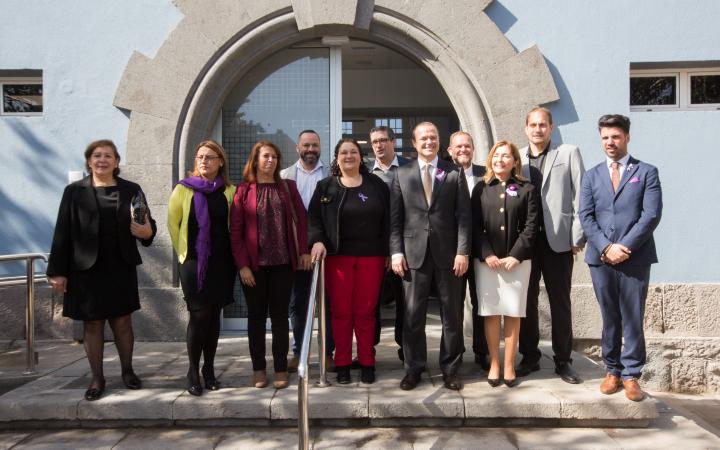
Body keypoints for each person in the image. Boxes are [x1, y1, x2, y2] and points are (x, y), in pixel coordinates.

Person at [47, 139, 156, 401]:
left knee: (122, 321)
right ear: (88, 161)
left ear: (117, 162)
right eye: (97, 155)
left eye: (108, 156)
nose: (102, 160)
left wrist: (147, 231)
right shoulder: (74, 192)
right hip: (85, 270)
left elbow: (147, 224)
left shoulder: (132, 189)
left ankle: (128, 371)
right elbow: (63, 232)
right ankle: (97, 377)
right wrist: (57, 271)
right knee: (92, 323)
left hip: (120, 266)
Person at [579, 114, 662, 402]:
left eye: (615, 137)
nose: (610, 142)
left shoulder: (647, 172)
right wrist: (605, 247)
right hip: (600, 259)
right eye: (605, 137)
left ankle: (631, 375)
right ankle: (612, 370)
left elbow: (650, 215)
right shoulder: (591, 175)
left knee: (633, 317)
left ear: (626, 137)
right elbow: (586, 216)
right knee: (610, 316)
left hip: (634, 257)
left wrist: (623, 246)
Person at [390, 122, 471, 391]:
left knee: (452, 315)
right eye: (423, 138)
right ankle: (414, 367)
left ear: (439, 141)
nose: (429, 142)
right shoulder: (401, 174)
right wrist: (396, 252)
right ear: (414, 143)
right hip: (413, 255)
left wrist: (462, 252)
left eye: (433, 137)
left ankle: (450, 369)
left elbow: (463, 217)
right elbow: (395, 220)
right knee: (413, 315)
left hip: (449, 256)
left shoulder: (453, 172)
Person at [309, 138, 390, 384]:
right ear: (337, 157)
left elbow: (389, 219)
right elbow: (313, 220)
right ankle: (342, 363)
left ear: (360, 156)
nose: (349, 156)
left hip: (372, 257)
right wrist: (318, 240)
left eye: (353, 152)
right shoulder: (325, 187)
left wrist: (388, 251)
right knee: (341, 312)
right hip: (337, 258)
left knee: (365, 312)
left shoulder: (376, 185)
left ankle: (367, 361)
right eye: (343, 152)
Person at [230, 141, 310, 389]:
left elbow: (303, 221)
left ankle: (279, 369)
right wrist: (242, 266)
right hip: (253, 267)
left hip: (283, 264)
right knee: (255, 318)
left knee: (279, 318)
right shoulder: (243, 191)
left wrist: (304, 251)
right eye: (266, 156)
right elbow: (235, 232)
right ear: (255, 160)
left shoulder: (288, 187)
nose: (271, 161)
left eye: (274, 157)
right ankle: (258, 369)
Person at [517, 107, 586, 384]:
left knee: (560, 302)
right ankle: (530, 356)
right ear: (526, 128)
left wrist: (576, 237)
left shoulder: (568, 153)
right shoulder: (517, 157)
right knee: (526, 303)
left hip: (559, 241)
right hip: (526, 243)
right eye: (533, 125)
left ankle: (563, 360)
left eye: (543, 125)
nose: (538, 129)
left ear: (551, 126)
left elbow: (582, 195)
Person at [168, 139, 236, 396]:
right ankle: (193, 371)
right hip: (194, 262)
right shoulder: (183, 190)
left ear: (220, 162)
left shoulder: (229, 191)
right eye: (200, 157)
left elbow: (234, 226)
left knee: (214, 315)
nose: (204, 161)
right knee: (199, 315)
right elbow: (173, 225)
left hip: (222, 262)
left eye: (210, 157)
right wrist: (184, 255)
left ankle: (209, 369)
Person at [472, 140, 538, 388]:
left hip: (516, 263)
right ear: (490, 159)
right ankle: (494, 364)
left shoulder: (526, 188)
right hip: (488, 263)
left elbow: (531, 227)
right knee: (490, 312)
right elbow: (474, 226)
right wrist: (486, 253)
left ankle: (509, 364)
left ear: (514, 162)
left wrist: (516, 254)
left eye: (506, 156)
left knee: (513, 312)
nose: (500, 160)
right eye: (496, 155)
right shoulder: (480, 188)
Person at [280, 130, 334, 371]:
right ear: (297, 148)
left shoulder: (332, 174)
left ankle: (328, 352)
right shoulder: (284, 176)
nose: (310, 149)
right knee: (298, 303)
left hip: (327, 250)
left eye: (314, 145)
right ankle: (298, 351)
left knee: (328, 304)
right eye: (306, 145)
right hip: (297, 252)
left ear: (320, 147)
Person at [446, 130, 490, 371]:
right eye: (458, 146)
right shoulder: (444, 174)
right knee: (453, 304)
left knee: (481, 302)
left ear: (473, 149)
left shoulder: (487, 174)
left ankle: (482, 352)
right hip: (453, 252)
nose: (463, 150)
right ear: (450, 151)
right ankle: (456, 351)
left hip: (483, 251)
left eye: (467, 146)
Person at [367, 126, 410, 363]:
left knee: (405, 302)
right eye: (375, 142)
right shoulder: (365, 172)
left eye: (383, 140)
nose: (379, 145)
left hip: (405, 247)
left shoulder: (409, 167)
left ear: (393, 142)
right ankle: (368, 351)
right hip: (374, 248)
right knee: (371, 302)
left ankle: (406, 350)